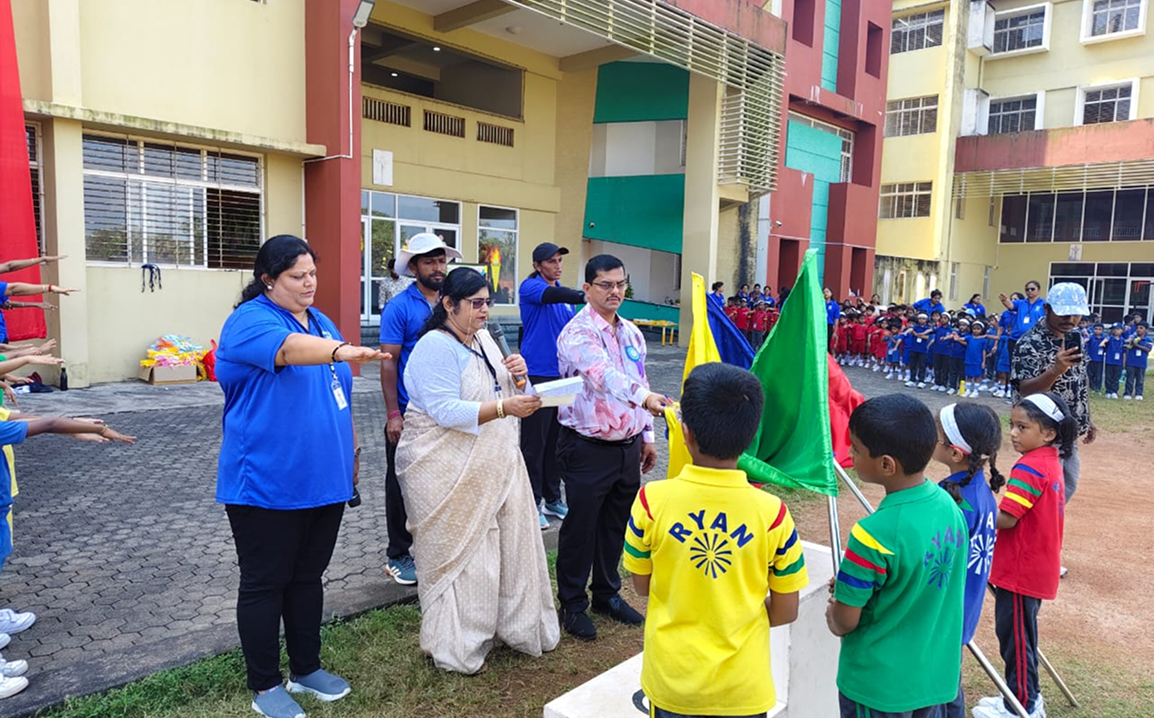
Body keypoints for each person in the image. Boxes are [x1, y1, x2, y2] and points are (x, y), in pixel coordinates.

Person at [215, 235, 389, 718]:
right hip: (266, 481)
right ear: (268, 279)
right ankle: (265, 684)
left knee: (308, 577)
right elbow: (291, 351)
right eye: (297, 276)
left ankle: (306, 668)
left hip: (324, 478)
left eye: (313, 273)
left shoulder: (321, 321)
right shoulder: (250, 320)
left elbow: (339, 392)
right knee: (265, 582)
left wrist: (351, 448)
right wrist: (343, 350)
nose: (309, 282)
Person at [396, 267, 560, 674]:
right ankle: (457, 645)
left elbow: (504, 392)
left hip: (497, 462)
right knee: (468, 557)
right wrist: (505, 407)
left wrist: (519, 380)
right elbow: (445, 410)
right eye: (476, 303)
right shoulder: (434, 346)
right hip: (445, 470)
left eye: (488, 302)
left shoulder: (485, 339)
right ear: (449, 304)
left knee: (507, 549)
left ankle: (511, 627)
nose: (485, 311)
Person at [624, 363, 806, 718]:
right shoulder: (773, 514)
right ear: (751, 437)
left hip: (672, 683)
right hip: (743, 688)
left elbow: (642, 586)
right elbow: (787, 610)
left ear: (686, 433)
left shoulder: (651, 501)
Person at [827, 394, 967, 717]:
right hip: (932, 678)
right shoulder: (949, 506)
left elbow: (845, 621)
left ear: (887, 465)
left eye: (856, 448)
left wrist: (835, 610)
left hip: (878, 688)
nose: (850, 453)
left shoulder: (872, 534)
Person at [555, 255, 666, 640]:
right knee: (581, 527)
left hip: (627, 445)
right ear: (587, 288)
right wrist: (646, 399)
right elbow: (604, 376)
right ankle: (572, 604)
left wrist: (647, 436)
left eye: (620, 284)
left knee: (615, 524)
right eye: (606, 284)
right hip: (586, 446)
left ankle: (607, 593)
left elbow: (640, 377)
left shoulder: (631, 333)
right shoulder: (578, 333)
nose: (615, 291)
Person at [972, 393, 1077, 718]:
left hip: (1021, 569)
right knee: (1021, 636)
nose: (1013, 433)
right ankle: (1025, 697)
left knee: (1015, 639)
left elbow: (1007, 518)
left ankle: (1022, 706)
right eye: (1012, 425)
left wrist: (973, 512)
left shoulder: (1030, 467)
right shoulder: (1048, 459)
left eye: (1022, 427)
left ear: (1048, 433)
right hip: (1032, 565)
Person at [379, 233, 463, 585]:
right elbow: (388, 362)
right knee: (401, 484)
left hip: (445, 412)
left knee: (440, 482)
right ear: (413, 267)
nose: (438, 267)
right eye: (430, 262)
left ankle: (434, 548)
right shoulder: (400, 307)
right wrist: (393, 415)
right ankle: (398, 554)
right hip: (409, 413)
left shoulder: (453, 303)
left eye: (441, 261)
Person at [933, 403, 1003, 718]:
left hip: (941, 616)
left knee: (937, 693)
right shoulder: (980, 491)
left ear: (954, 452)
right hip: (963, 610)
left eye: (936, 435)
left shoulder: (954, 501)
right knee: (948, 685)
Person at [1010, 282, 1095, 501]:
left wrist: (1087, 417)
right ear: (1047, 309)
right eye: (1064, 313)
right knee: (1041, 489)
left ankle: (1051, 519)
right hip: (1042, 430)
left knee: (1066, 486)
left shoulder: (1075, 337)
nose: (1071, 319)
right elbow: (1026, 390)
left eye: (1076, 314)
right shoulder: (1029, 343)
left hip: (1069, 427)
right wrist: (1055, 370)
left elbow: (1080, 378)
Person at [518, 242, 583, 528]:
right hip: (537, 375)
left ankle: (553, 497)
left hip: (561, 375)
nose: (557, 266)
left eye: (559, 260)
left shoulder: (566, 298)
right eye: (551, 261)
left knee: (556, 441)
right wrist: (586, 294)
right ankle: (531, 502)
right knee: (534, 443)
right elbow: (553, 294)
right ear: (537, 265)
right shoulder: (531, 287)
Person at [999, 280, 1046, 357]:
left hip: (1034, 340)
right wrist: (1004, 300)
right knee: (1014, 362)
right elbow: (1010, 306)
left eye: (1032, 289)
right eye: (1027, 289)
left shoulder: (1044, 304)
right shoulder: (1021, 303)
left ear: (1038, 290)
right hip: (1016, 339)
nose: (1029, 291)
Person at [1122, 322, 1150, 400]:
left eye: (1141, 328)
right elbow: (1127, 346)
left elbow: (1148, 349)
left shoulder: (1148, 339)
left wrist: (1136, 345)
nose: (1138, 330)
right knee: (1129, 378)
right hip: (1131, 362)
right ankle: (1127, 393)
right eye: (1137, 328)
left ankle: (1139, 393)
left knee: (1140, 379)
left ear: (1146, 330)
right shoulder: (1132, 338)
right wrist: (1131, 342)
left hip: (1141, 363)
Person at [962, 321, 989, 398]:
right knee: (969, 376)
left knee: (977, 376)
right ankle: (968, 390)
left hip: (977, 360)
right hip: (969, 360)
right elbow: (961, 339)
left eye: (978, 329)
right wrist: (955, 337)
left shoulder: (983, 340)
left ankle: (975, 391)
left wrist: (983, 362)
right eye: (974, 329)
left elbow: (984, 351)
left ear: (981, 330)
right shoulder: (969, 337)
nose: (976, 330)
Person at [905, 313, 932, 388]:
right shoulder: (915, 327)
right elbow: (911, 330)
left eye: (923, 319)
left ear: (926, 320)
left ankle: (921, 380)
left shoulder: (927, 328)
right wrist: (913, 333)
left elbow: (927, 337)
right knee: (913, 364)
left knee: (922, 365)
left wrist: (919, 335)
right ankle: (912, 379)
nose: (921, 320)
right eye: (920, 319)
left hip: (923, 349)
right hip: (914, 348)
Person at [1101, 323, 1126, 399]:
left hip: (1119, 362)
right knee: (1108, 376)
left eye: (1117, 329)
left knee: (1116, 377)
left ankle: (1114, 391)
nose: (1115, 331)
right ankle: (1108, 391)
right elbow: (1104, 342)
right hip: (1109, 361)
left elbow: (1124, 352)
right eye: (1114, 329)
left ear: (1122, 330)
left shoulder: (1123, 340)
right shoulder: (1110, 338)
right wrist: (1103, 342)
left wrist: (1124, 363)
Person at [1085, 322, 1106, 394]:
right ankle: (1091, 387)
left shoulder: (1104, 339)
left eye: (1100, 329)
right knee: (1090, 374)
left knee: (1098, 375)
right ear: (1093, 329)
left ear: (1102, 330)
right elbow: (1085, 341)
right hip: (1090, 359)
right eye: (1096, 329)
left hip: (1099, 360)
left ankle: (1098, 388)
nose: (1097, 331)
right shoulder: (1091, 337)